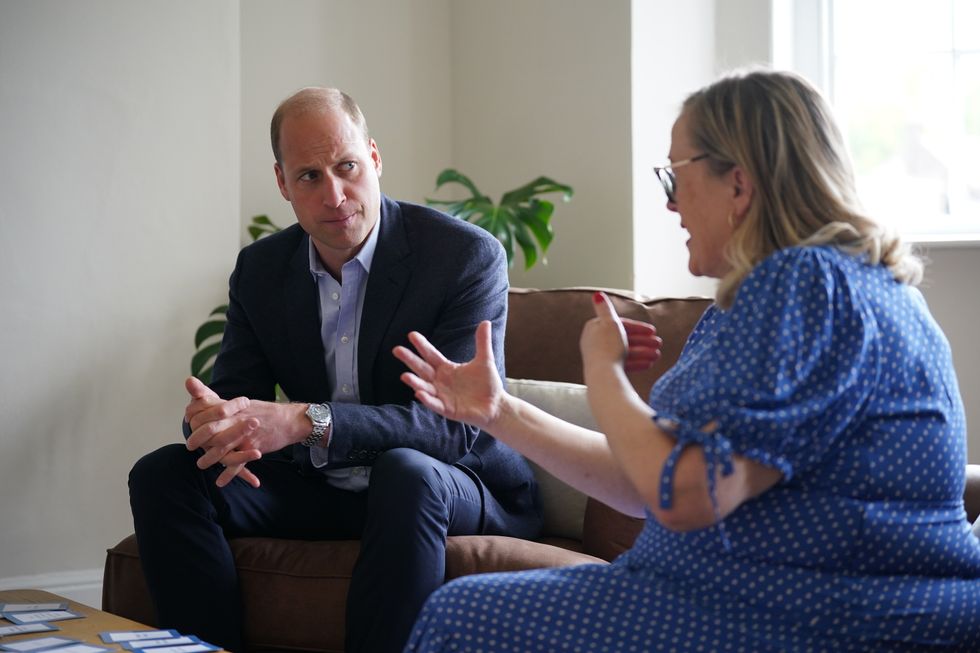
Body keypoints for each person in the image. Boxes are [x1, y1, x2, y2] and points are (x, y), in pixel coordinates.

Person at [393, 69, 980, 652]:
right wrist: (499, 412)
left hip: (810, 612)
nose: (670, 202)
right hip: (770, 596)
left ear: (739, 185)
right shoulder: (822, 289)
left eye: (676, 175)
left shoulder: (804, 288)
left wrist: (603, 374)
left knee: (461, 620)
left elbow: (682, 496)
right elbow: (649, 483)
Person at [127, 87, 540, 653]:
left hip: (454, 479)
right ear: (282, 184)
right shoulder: (261, 269)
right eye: (309, 177)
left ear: (373, 157)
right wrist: (216, 422)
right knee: (165, 474)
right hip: (321, 486)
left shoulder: (462, 257)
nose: (335, 194)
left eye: (346, 167)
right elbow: (237, 400)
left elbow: (452, 427)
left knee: (406, 471)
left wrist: (307, 420)